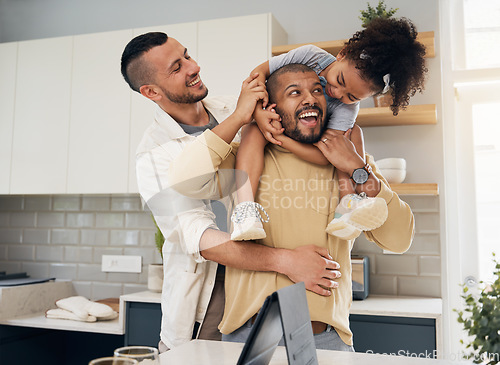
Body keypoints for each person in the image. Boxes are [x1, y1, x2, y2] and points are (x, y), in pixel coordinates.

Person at [168, 63, 415, 350]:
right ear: (272, 107)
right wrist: (240, 117)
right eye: (294, 92)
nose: (310, 98)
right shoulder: (245, 159)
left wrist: (359, 168)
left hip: (325, 342)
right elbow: (183, 180)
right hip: (245, 339)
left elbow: (399, 240)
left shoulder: (351, 163)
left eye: (317, 90)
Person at [120, 32, 341, 352]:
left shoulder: (236, 107)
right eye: (176, 67)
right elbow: (202, 241)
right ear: (151, 91)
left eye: (187, 55)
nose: (194, 67)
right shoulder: (153, 156)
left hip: (267, 284)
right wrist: (287, 260)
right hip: (208, 301)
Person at [230, 17, 427, 242]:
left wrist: (356, 167)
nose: (337, 93)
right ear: (341, 54)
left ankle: (348, 202)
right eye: (339, 80)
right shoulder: (310, 55)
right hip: (271, 124)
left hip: (322, 145)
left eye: (351, 96)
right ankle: (245, 210)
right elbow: (258, 75)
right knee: (252, 131)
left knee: (350, 136)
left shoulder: (347, 113)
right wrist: (259, 114)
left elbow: (330, 155)